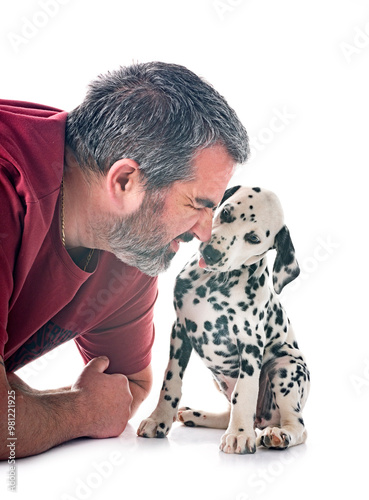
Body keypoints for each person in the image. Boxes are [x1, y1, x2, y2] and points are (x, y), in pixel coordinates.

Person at [0, 61, 249, 459]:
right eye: (197, 205)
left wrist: (23, 405)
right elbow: (95, 408)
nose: (206, 233)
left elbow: (123, 388)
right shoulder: (8, 188)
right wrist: (79, 411)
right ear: (124, 182)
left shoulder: (128, 251)